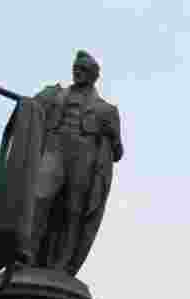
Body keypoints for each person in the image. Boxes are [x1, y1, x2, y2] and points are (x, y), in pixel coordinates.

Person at [31, 50, 123, 276]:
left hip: (84, 158)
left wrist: (111, 138)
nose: (77, 73)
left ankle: (62, 265)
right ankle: (28, 255)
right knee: (40, 199)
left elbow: (118, 152)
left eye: (83, 70)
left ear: (94, 75)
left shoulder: (106, 110)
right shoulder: (54, 95)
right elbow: (31, 112)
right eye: (76, 69)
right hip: (55, 149)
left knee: (74, 212)